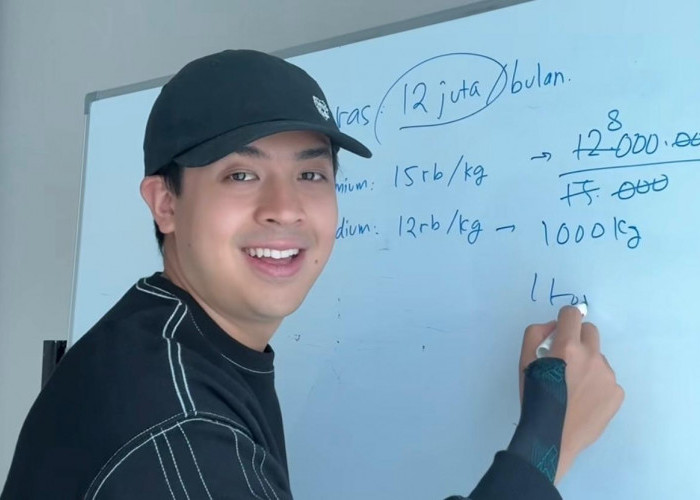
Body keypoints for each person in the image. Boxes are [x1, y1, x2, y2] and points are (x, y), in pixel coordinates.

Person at [1, 49, 623, 499]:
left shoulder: (165, 339)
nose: (286, 207)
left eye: (311, 174)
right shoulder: (179, 430)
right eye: (241, 175)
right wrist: (545, 448)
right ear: (166, 203)